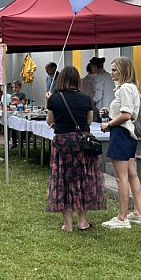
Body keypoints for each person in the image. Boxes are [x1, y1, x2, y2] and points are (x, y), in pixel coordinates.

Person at [45, 66, 105, 232]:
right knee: (82, 179)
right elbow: (89, 121)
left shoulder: (55, 99)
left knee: (63, 180)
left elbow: (50, 122)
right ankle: (83, 222)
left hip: (62, 143)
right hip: (81, 143)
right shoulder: (86, 99)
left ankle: (68, 224)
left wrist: (48, 102)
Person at [100, 57, 141, 229]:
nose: (111, 73)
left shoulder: (125, 88)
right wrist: (111, 112)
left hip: (121, 133)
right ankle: (137, 212)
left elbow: (126, 114)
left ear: (123, 70)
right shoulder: (132, 88)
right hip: (129, 135)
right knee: (132, 174)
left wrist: (109, 124)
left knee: (121, 177)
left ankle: (121, 217)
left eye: (114, 70)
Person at [90, 56, 115, 120]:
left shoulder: (99, 77)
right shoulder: (109, 75)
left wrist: (90, 102)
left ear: (94, 66)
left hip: (103, 109)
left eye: (91, 67)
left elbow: (98, 96)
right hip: (111, 107)